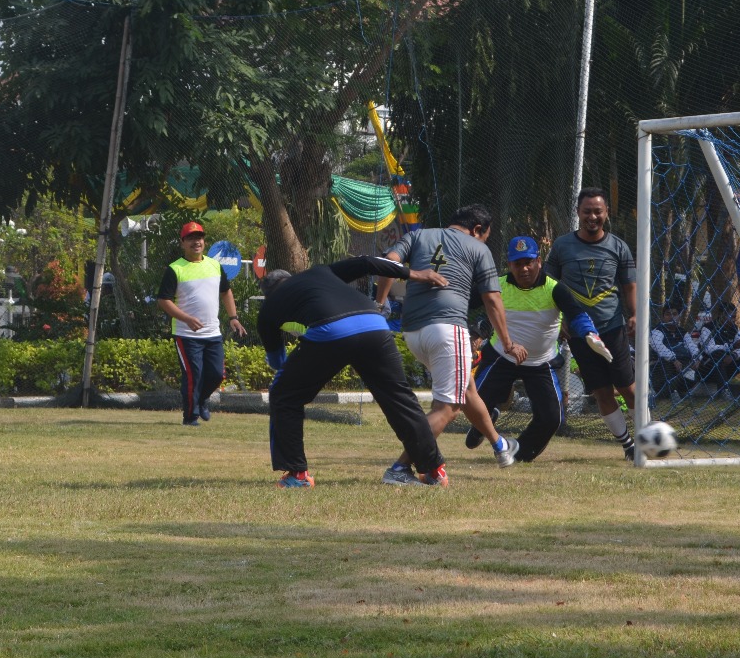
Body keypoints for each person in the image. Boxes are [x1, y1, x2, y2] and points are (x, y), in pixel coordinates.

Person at [257, 259, 450, 488]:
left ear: (268, 294)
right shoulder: (320, 270)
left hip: (331, 331)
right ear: (290, 276)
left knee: (283, 395)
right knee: (400, 399)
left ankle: (297, 476)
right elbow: (366, 262)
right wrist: (413, 273)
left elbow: (279, 363)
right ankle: (434, 472)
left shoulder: (270, 307)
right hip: (375, 324)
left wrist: (299, 371)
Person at [374, 204, 528, 484]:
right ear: (478, 230)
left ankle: (500, 446)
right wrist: (507, 342)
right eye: (485, 236)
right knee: (448, 407)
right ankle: (398, 469)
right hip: (448, 328)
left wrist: (380, 304)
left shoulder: (419, 236)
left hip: (413, 332)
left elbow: (387, 265)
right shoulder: (477, 248)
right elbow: (493, 299)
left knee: (465, 390)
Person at [464, 235, 612, 462]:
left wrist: (590, 333)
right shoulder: (497, 285)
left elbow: (577, 314)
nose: (523, 269)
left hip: (540, 363)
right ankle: (484, 421)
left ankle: (519, 453)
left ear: (539, 262)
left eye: (528, 262)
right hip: (502, 358)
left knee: (552, 418)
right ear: (510, 265)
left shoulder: (555, 289)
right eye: (517, 263)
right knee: (476, 404)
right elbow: (464, 301)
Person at [545, 187, 639, 460]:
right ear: (578, 213)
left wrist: (632, 314)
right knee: (601, 391)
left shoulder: (618, 246)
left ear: (606, 213)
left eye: (598, 211)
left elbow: (629, 285)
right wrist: (558, 320)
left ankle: (646, 436)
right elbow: (550, 287)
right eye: (587, 211)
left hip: (612, 327)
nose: (592, 217)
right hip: (578, 332)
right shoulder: (562, 246)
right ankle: (628, 446)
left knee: (627, 387)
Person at [155, 221, 246, 426]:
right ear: (183, 243)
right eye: (191, 238)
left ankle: (202, 399)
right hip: (186, 335)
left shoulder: (214, 265)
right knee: (192, 375)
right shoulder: (175, 269)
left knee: (216, 374)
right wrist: (186, 318)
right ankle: (190, 416)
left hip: (212, 333)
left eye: (199, 238)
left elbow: (226, 291)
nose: (196, 242)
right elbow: (163, 301)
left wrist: (233, 318)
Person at [650, 304, 696, 402]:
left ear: (679, 316)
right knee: (668, 364)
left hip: (683, 365)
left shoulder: (682, 332)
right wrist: (673, 359)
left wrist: (697, 358)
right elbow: (659, 347)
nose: (671, 317)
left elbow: (692, 346)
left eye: (674, 314)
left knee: (697, 372)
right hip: (662, 367)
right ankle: (670, 392)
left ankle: (679, 390)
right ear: (663, 317)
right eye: (668, 314)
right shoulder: (657, 331)